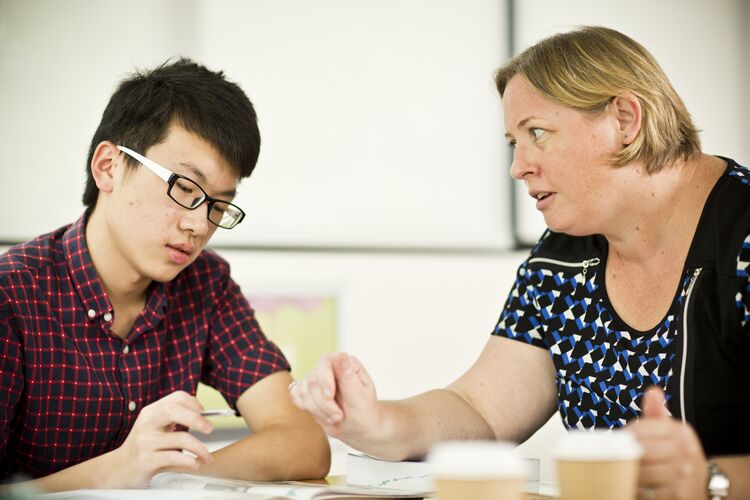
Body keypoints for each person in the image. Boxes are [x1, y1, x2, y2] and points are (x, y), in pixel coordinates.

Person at [290, 26, 750, 499]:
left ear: (625, 119)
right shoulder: (563, 255)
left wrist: (710, 480)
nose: (519, 166)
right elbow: (482, 411)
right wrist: (373, 422)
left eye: (538, 133)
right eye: (515, 142)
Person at [0, 58, 330, 491]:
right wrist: (118, 472)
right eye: (185, 189)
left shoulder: (205, 284)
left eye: (217, 205)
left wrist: (163, 474)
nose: (198, 226)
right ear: (108, 167)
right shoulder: (13, 295)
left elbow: (303, 441)